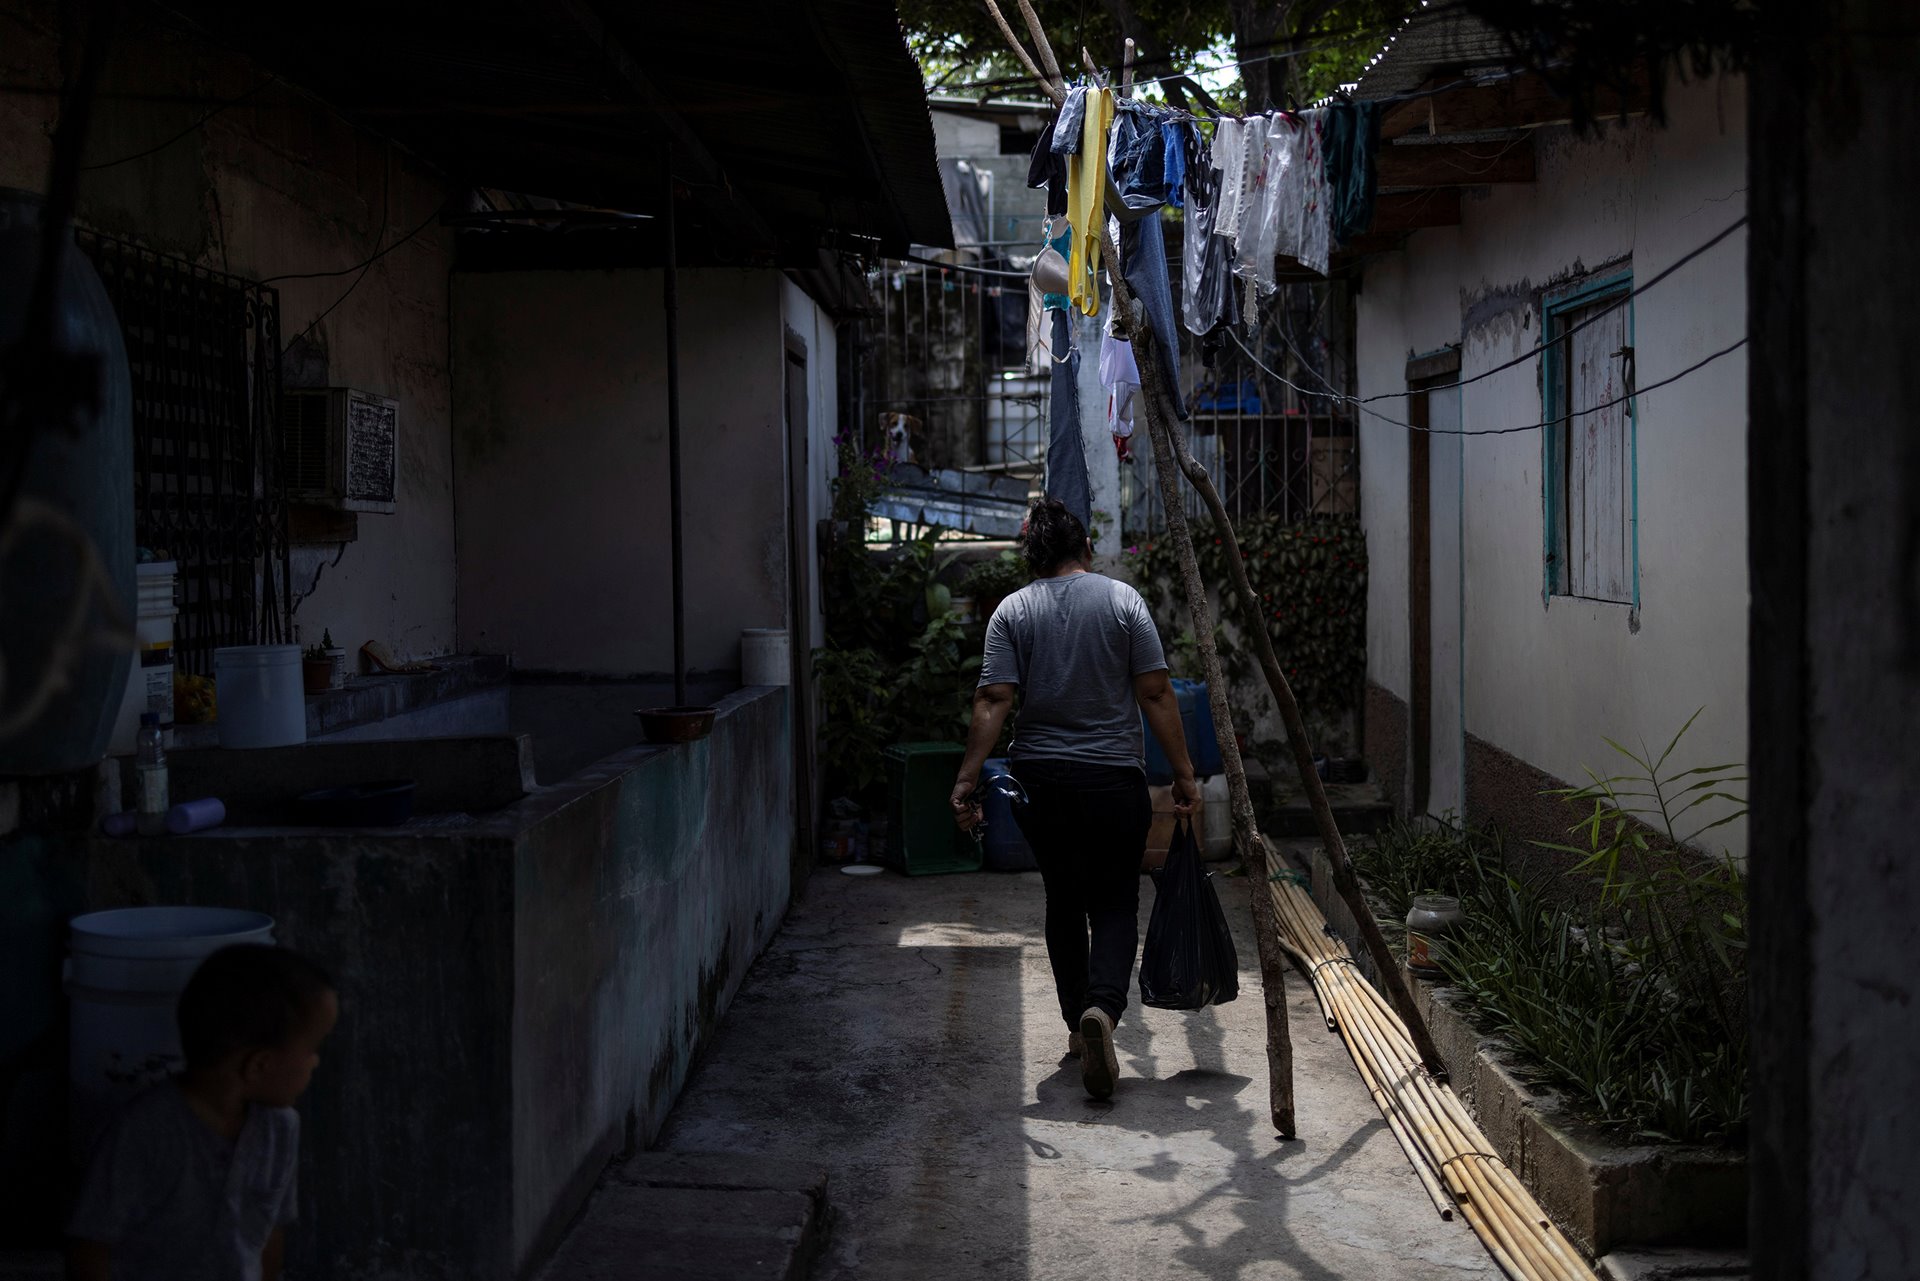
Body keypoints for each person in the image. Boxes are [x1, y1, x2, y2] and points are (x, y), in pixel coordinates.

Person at [951, 497, 1200, 1100]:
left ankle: (1074, 1025)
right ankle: (1103, 1014)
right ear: (1085, 548)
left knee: (1063, 899)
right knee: (1115, 900)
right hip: (1114, 780)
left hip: (1042, 784)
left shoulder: (1012, 611)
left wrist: (966, 778)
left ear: (1032, 554)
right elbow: (1157, 693)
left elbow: (994, 700)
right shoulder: (1122, 601)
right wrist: (1185, 773)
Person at [67, 944, 339, 1281]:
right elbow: (91, 1246)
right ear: (259, 1064)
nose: (315, 1062)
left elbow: (269, 1235)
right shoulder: (144, 1132)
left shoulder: (280, 1129)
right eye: (312, 1049)